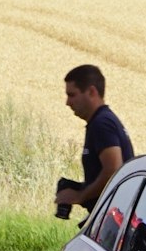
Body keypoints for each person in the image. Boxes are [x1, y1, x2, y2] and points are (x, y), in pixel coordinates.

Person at [58, 63, 135, 214]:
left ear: (91, 92)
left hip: (115, 216)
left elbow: (113, 169)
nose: (68, 103)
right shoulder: (101, 121)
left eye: (72, 95)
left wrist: (81, 196)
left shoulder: (102, 124)